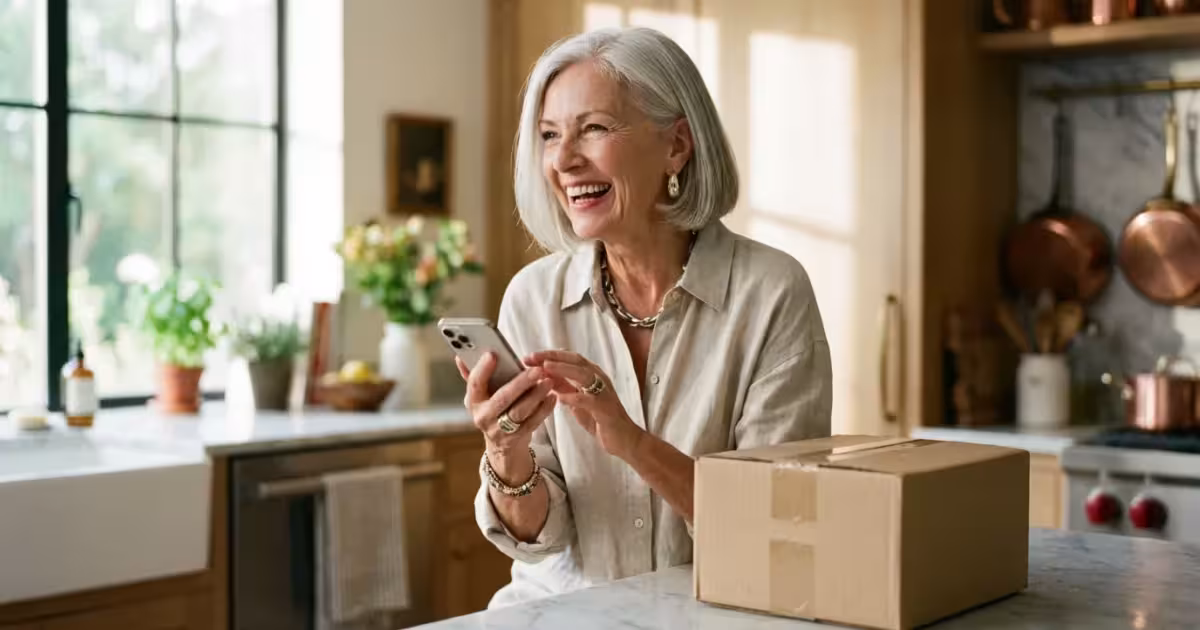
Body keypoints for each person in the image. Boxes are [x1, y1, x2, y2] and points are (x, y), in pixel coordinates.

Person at [455, 26, 832, 608]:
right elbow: (537, 540)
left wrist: (629, 439)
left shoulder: (770, 293)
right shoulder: (531, 297)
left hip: (716, 614)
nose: (562, 160)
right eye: (550, 135)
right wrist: (505, 451)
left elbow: (772, 526)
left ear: (677, 145)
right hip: (556, 616)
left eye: (594, 129)